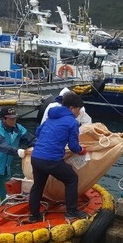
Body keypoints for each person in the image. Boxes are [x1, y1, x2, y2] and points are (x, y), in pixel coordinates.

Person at [28, 92, 88, 222]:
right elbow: (73, 146)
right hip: (51, 160)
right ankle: (71, 212)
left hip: (36, 157)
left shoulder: (51, 117)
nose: (79, 113)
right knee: (72, 179)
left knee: (38, 186)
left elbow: (38, 132)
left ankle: (33, 216)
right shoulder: (72, 122)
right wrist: (82, 150)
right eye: (78, 110)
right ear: (72, 108)